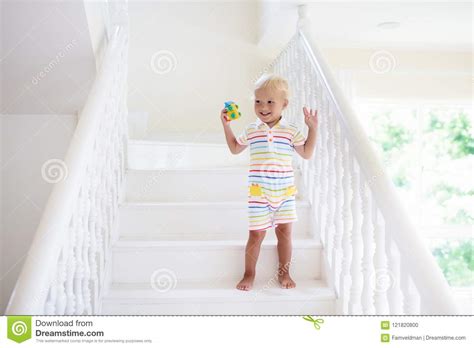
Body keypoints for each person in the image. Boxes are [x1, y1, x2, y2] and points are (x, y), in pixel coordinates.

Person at [220, 74, 318, 291]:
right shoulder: (252, 130)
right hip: (259, 195)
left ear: (284, 104)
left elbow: (307, 153)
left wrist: (313, 128)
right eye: (258, 101)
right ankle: (249, 273)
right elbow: (236, 148)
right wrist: (226, 126)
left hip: (284, 194)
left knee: (285, 235)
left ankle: (284, 273)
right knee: (256, 235)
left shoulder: (290, 131)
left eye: (270, 102)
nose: (263, 107)